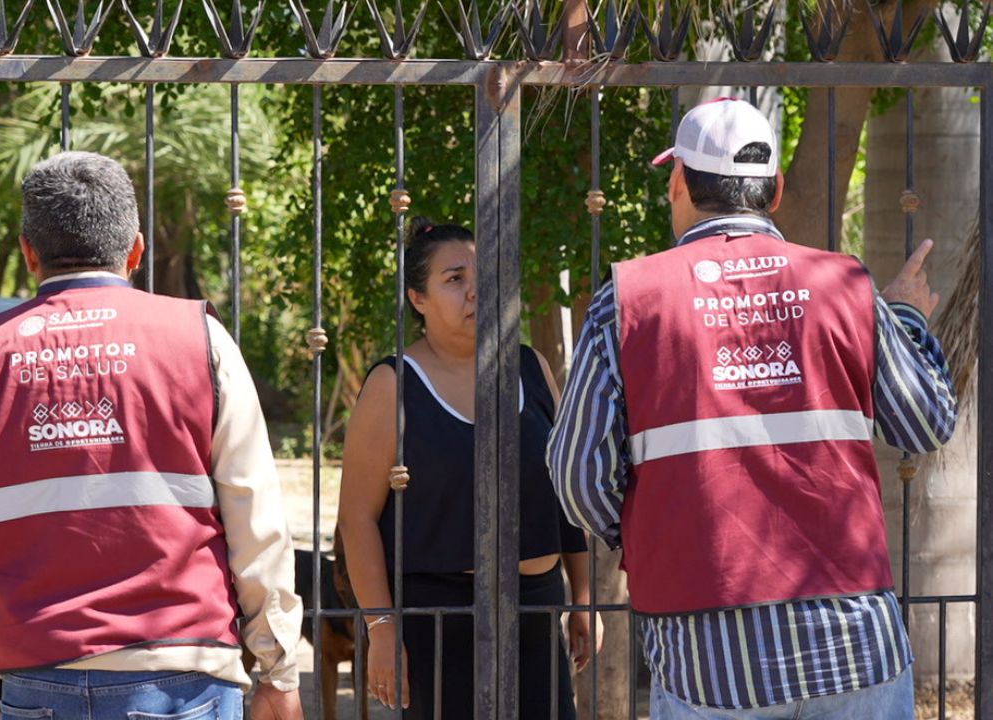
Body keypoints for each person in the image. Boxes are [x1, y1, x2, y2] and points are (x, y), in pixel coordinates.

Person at [548, 98, 958, 719]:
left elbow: (578, 475)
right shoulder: (845, 286)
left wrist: (646, 526)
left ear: (679, 181)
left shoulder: (629, 301)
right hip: (852, 648)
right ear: (775, 189)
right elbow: (927, 423)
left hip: (707, 657)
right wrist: (902, 317)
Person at [0, 152, 304, 720]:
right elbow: (257, 518)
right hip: (183, 678)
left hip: (38, 678)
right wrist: (277, 669)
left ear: (29, 252)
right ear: (136, 249)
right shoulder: (199, 343)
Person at [338, 217, 603, 719]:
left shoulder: (532, 368)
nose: (475, 290)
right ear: (418, 299)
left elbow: (563, 493)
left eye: (482, 274)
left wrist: (584, 596)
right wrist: (381, 627)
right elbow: (357, 519)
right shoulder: (393, 385)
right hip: (441, 620)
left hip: (537, 610)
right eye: (454, 278)